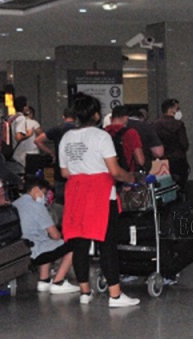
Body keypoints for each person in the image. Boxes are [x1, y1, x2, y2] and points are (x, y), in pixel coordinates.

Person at [59, 93, 140, 307]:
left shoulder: (66, 138)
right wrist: (131, 177)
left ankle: (85, 292)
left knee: (79, 242)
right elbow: (115, 171)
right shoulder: (101, 137)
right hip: (100, 195)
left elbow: (65, 172)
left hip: (75, 194)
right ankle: (115, 295)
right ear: (96, 115)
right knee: (107, 244)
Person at [12, 177, 79, 294]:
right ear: (35, 190)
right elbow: (55, 235)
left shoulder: (15, 204)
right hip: (34, 252)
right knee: (75, 243)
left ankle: (44, 280)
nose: (44, 197)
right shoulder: (37, 207)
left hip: (20, 250)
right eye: (43, 193)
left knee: (46, 241)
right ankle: (58, 282)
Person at [34, 107, 77, 205]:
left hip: (59, 169)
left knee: (60, 202)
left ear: (63, 117)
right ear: (75, 117)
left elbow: (37, 140)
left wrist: (51, 153)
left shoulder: (57, 129)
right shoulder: (79, 130)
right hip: (76, 170)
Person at [153, 98, 189, 187]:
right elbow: (184, 144)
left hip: (161, 162)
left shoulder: (155, 125)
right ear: (170, 110)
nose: (179, 111)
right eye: (177, 109)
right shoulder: (179, 125)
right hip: (178, 161)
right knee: (179, 186)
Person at [105, 105, 145, 172]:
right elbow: (140, 160)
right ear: (126, 118)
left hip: (106, 173)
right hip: (126, 174)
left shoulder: (103, 133)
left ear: (111, 118)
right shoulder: (131, 133)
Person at [13, 105, 41, 170]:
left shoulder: (16, 122)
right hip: (33, 151)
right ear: (31, 113)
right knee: (33, 171)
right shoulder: (34, 123)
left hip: (20, 153)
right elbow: (41, 135)